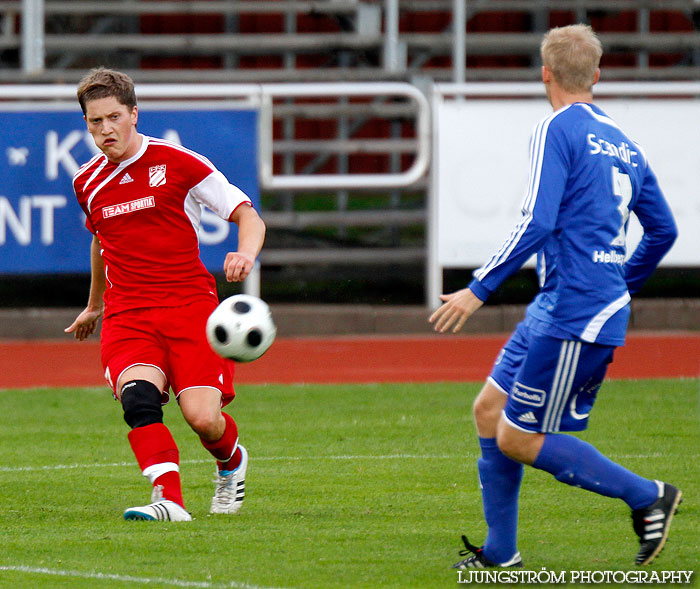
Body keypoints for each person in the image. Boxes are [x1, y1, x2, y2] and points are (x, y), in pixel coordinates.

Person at [429, 24, 681, 567]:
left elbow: (538, 220)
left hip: (576, 309)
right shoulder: (625, 145)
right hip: (564, 301)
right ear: (596, 75)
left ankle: (648, 495)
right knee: (488, 410)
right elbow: (662, 231)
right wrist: (621, 280)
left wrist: (479, 288)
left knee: (519, 437)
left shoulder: (555, 129)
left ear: (545, 73)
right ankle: (500, 552)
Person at [65, 68, 266, 522]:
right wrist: (95, 304)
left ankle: (231, 462)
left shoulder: (180, 162)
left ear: (134, 114)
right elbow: (101, 242)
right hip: (128, 314)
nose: (105, 130)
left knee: (202, 419)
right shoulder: (87, 182)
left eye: (113, 117)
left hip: (191, 310)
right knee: (138, 399)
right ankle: (168, 499)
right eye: (94, 122)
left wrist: (245, 254)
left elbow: (248, 215)